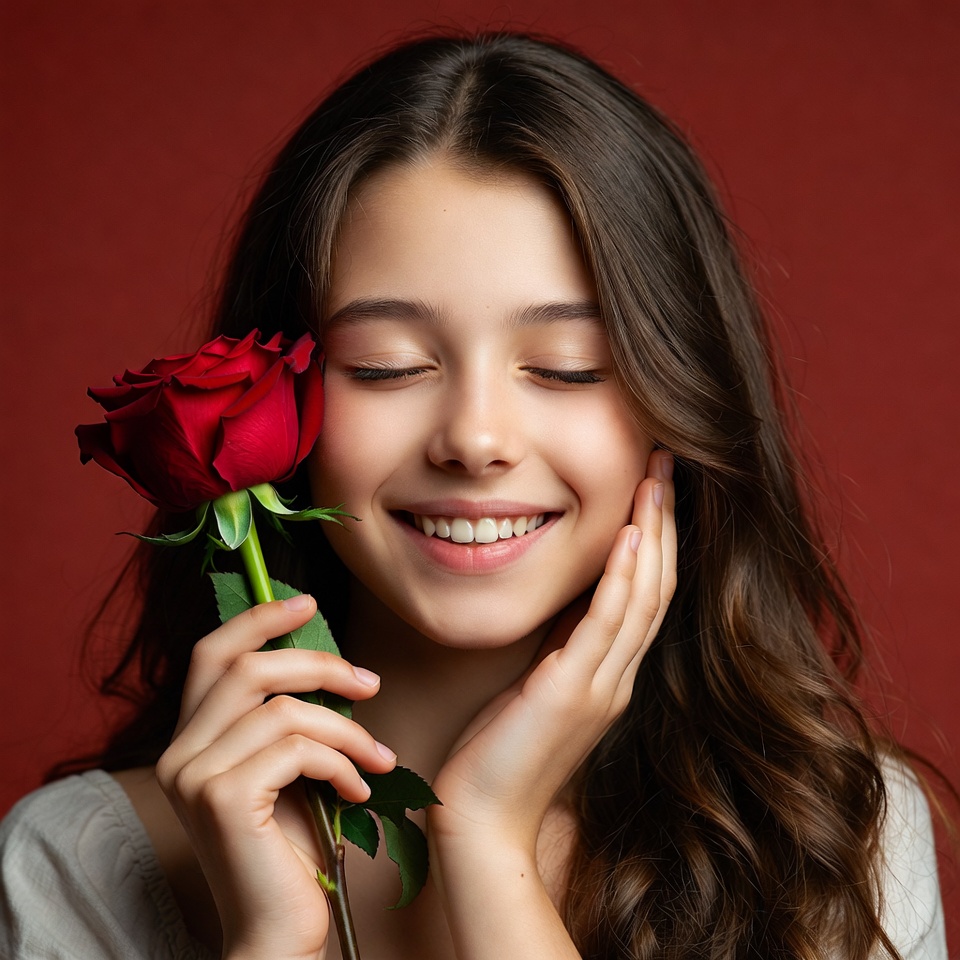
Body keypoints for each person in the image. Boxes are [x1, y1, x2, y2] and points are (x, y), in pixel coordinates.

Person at [0, 31, 947, 960]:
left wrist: (488, 846)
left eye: (569, 368)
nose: (476, 439)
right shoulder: (74, 863)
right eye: (389, 366)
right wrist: (271, 943)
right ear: (286, 397)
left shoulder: (838, 834)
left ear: (680, 403)